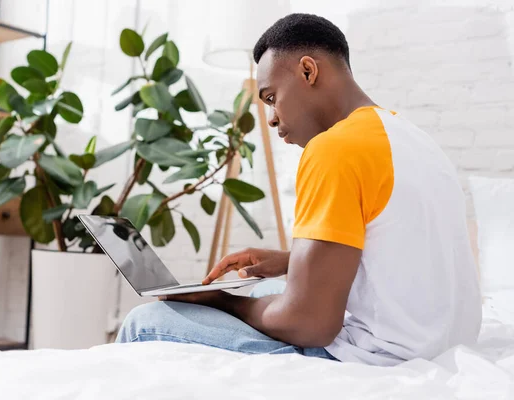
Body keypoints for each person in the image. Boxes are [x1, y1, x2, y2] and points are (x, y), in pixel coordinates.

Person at [115, 13, 482, 366]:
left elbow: (311, 323)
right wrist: (293, 261)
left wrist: (221, 299)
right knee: (262, 291)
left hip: (378, 358)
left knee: (144, 322)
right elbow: (404, 248)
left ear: (308, 70)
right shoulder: (412, 139)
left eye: (271, 97)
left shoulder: (334, 148)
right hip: (440, 344)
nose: (271, 117)